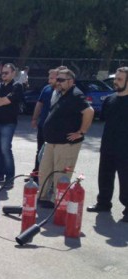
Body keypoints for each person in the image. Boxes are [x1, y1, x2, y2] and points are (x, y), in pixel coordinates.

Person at [38, 69, 94, 207]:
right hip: (52, 142)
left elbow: (89, 111)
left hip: (66, 144)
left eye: (61, 80)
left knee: (61, 174)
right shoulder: (61, 94)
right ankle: (43, 197)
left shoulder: (76, 95)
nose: (58, 82)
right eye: (57, 79)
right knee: (45, 171)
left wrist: (81, 132)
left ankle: (58, 202)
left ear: (71, 81)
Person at [87, 67, 128, 222]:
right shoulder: (110, 100)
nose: (115, 82)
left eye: (119, 79)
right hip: (108, 145)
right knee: (104, 176)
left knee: (126, 180)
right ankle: (103, 203)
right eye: (115, 79)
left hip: (126, 149)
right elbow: (104, 121)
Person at [0, 63, 24, 186]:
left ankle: (10, 178)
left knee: (5, 149)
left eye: (6, 73)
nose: (4, 75)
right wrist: (1, 101)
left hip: (8, 123)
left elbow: (7, 100)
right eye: (2, 73)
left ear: (13, 73)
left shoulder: (17, 86)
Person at [30, 68, 59, 177]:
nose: (49, 81)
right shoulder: (46, 89)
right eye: (49, 78)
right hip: (43, 126)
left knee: (53, 154)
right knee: (40, 151)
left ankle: (50, 177)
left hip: (55, 129)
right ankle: (37, 173)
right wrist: (34, 118)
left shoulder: (63, 92)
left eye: (52, 78)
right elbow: (39, 104)